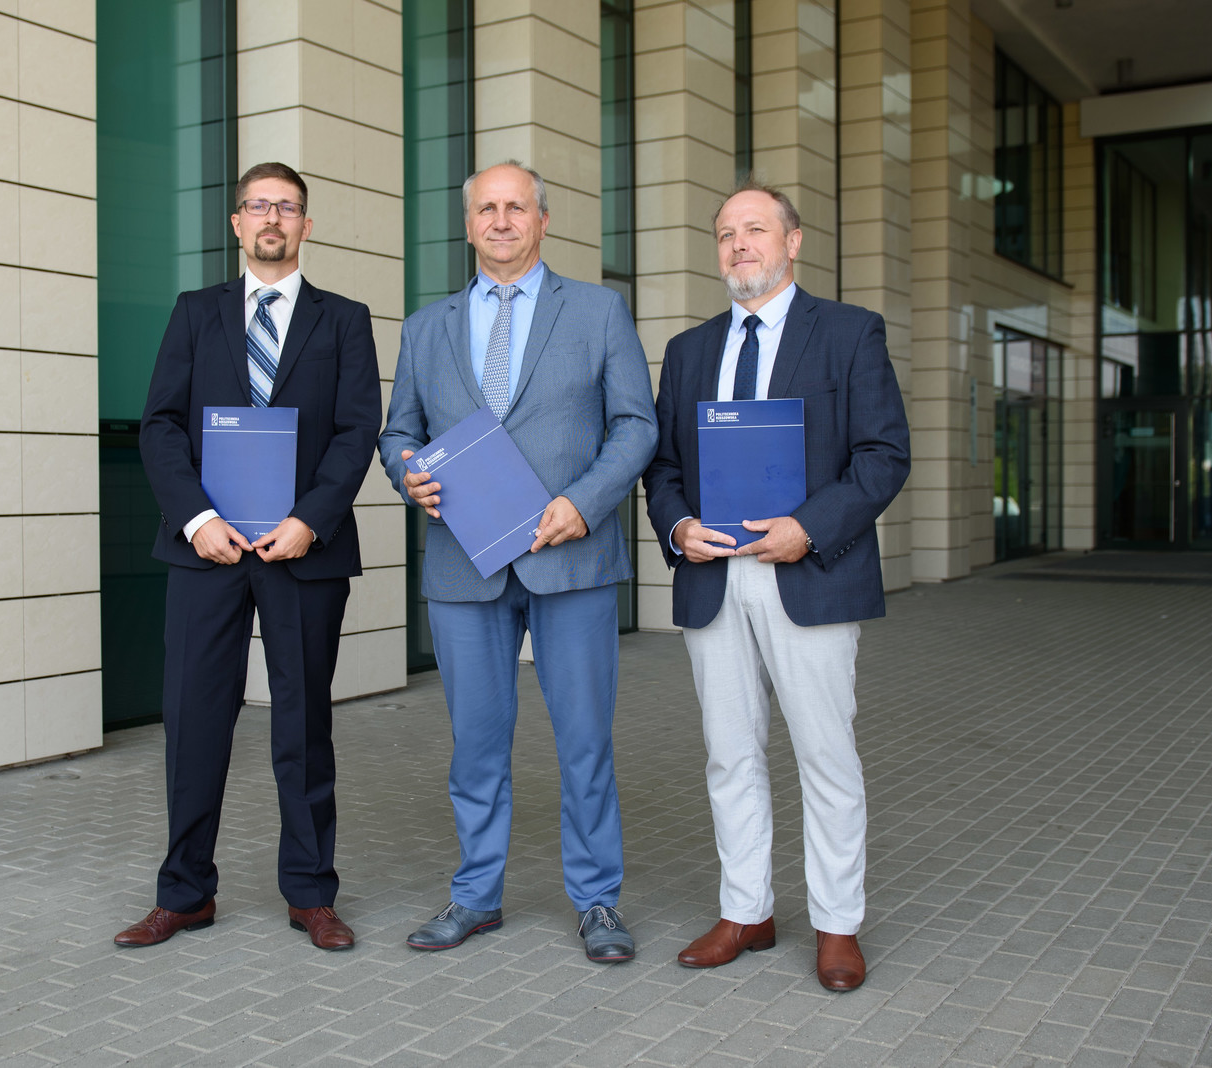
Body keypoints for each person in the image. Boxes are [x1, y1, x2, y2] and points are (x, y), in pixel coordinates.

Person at [379, 161, 656, 962]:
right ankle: (475, 896)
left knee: (585, 744)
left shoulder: (599, 311)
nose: (501, 221)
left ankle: (598, 901)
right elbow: (399, 431)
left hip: (571, 557)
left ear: (543, 220)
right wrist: (406, 473)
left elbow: (636, 425)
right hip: (465, 562)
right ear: (468, 224)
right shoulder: (426, 327)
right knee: (476, 745)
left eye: (516, 207)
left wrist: (585, 502)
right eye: (487, 209)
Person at [642, 180, 909, 990]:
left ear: (793, 242)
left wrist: (809, 527)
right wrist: (678, 527)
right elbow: (663, 466)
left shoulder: (850, 333)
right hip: (715, 577)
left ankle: (837, 924)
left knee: (826, 756)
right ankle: (746, 911)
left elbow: (883, 456)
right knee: (730, 756)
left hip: (808, 572)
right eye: (726, 234)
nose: (739, 245)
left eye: (755, 229)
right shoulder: (689, 350)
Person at [117, 162, 381, 951]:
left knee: (303, 725)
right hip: (209, 550)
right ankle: (184, 893)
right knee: (194, 722)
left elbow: (356, 430)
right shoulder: (195, 313)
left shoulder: (344, 319)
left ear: (306, 225)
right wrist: (196, 518)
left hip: (303, 551)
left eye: (287, 207)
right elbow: (160, 424)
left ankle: (311, 894)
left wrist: (310, 520)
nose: (272, 218)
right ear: (237, 222)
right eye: (259, 206)